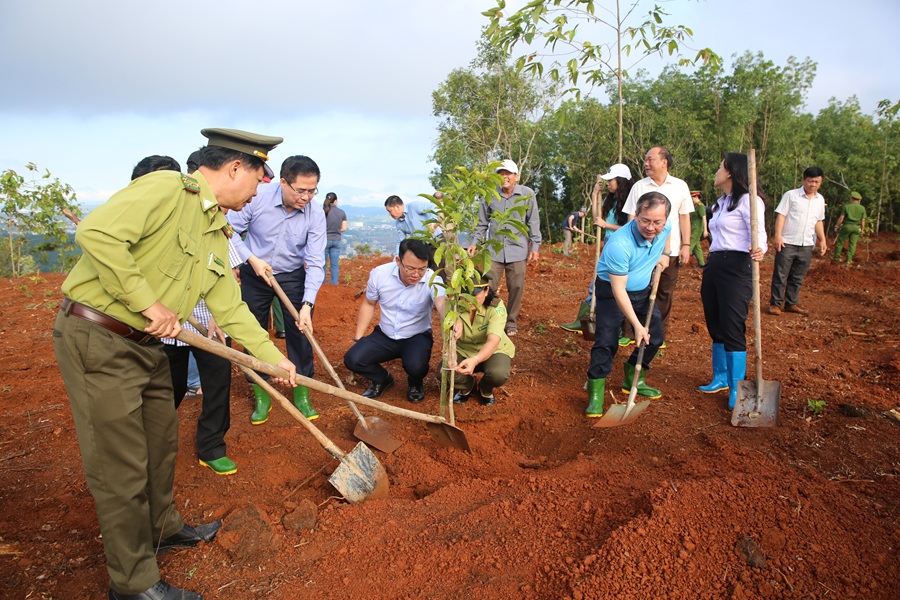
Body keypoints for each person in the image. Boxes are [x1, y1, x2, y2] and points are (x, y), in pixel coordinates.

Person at [52, 128, 297, 600]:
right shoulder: (167, 188)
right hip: (100, 339)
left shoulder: (214, 226)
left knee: (161, 443)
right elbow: (96, 232)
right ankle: (132, 583)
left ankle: (162, 527)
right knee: (120, 466)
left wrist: (270, 358)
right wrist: (148, 303)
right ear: (234, 169)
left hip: (144, 347)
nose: (259, 191)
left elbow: (229, 307)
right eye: (259, 179)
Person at [133, 153, 243, 477]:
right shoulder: (139, 231)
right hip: (165, 329)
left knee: (217, 385)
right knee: (170, 389)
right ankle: (151, 448)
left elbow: (231, 276)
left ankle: (211, 448)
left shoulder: (209, 220)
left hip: (210, 323)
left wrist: (219, 315)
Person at [227, 155, 327, 424]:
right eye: (301, 190)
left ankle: (302, 394)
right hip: (255, 271)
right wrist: (250, 258)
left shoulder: (315, 213)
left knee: (300, 333)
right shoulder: (257, 196)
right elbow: (230, 230)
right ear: (283, 182)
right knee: (254, 330)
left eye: (312, 190)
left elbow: (317, 261)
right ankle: (263, 392)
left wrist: (307, 305)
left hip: (292, 275)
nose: (307, 197)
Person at [585, 191, 671, 417]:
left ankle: (633, 378)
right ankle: (595, 393)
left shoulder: (666, 227)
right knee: (606, 342)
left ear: (665, 219)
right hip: (613, 293)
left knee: (655, 339)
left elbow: (666, 240)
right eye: (645, 221)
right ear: (636, 215)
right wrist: (636, 325)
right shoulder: (619, 244)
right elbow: (619, 290)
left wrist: (665, 256)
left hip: (642, 291)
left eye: (657, 222)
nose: (651, 227)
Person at [699, 153, 768, 410]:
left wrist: (760, 248)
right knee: (714, 321)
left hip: (737, 266)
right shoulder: (720, 203)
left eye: (719, 166)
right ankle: (720, 377)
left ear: (730, 172)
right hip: (715, 264)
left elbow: (758, 231)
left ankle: (737, 388)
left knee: (732, 325)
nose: (716, 171)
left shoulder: (750, 201)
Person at [344, 238, 447, 403]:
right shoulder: (380, 274)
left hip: (416, 336)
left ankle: (415, 383)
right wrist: (358, 335)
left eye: (422, 268)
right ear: (398, 261)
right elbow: (369, 304)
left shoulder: (432, 279)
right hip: (385, 335)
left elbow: (441, 302)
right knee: (353, 359)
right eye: (411, 268)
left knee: (416, 366)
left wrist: (450, 319)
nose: (416, 274)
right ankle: (382, 379)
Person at [621, 147, 693, 346]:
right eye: (645, 160)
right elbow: (631, 218)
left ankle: (658, 335)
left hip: (670, 250)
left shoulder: (680, 186)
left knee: (664, 291)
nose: (646, 164)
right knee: (635, 288)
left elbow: (684, 217)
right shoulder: (639, 186)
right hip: (641, 248)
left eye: (650, 160)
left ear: (664, 162)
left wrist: (686, 245)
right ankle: (629, 332)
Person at [467, 159, 542, 336]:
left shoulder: (527, 194)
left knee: (516, 287)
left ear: (517, 176)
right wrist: (474, 242)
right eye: (500, 174)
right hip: (494, 252)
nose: (504, 177)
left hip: (518, 250)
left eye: (508, 174)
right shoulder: (490, 195)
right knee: (488, 287)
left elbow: (533, 222)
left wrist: (535, 247)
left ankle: (511, 322)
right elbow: (482, 223)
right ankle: (488, 320)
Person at [559, 163, 633, 333]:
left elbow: (631, 226)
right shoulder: (612, 199)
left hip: (621, 247)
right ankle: (584, 319)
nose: (608, 183)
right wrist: (594, 194)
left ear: (620, 181)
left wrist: (607, 224)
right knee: (598, 281)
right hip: (608, 244)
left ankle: (618, 325)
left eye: (611, 180)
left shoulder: (630, 200)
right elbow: (597, 218)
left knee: (616, 285)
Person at [446, 273, 515, 406]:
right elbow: (450, 337)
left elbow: (493, 341)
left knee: (499, 373)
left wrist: (475, 360)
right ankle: (467, 385)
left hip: (493, 351)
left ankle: (485, 388)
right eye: (465, 295)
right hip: (464, 350)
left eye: (474, 295)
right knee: (445, 371)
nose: (468, 300)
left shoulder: (496, 306)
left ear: (486, 290)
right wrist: (452, 354)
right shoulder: (454, 306)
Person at [768, 167, 827, 315]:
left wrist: (823, 240)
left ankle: (791, 303)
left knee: (797, 276)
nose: (813, 185)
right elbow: (781, 215)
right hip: (787, 241)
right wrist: (778, 236)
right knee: (781, 274)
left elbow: (818, 221)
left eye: (816, 182)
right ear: (804, 180)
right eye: (810, 181)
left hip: (806, 243)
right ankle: (775, 304)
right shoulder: (791, 195)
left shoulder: (820, 200)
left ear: (820, 182)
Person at [385, 194, 437, 259]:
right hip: (423, 247)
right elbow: (400, 242)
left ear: (397, 207)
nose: (389, 214)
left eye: (390, 211)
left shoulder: (414, 206)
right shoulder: (398, 223)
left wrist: (433, 221)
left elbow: (433, 207)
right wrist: (396, 258)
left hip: (436, 240)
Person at [833, 191, 867, 264]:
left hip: (847, 226)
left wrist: (837, 226)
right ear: (859, 200)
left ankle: (836, 258)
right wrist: (863, 229)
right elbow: (863, 220)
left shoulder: (847, 206)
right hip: (856, 227)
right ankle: (849, 260)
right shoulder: (862, 208)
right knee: (852, 244)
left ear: (852, 198)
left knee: (840, 242)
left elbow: (841, 218)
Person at [324, 191, 348, 284]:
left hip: (324, 240)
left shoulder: (322, 211)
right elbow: (344, 228)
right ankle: (334, 284)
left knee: (323, 264)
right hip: (336, 240)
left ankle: (323, 285)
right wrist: (336, 230)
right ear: (336, 201)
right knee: (334, 265)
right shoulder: (341, 212)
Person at [689, 191, 709, 267]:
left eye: (692, 198)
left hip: (697, 229)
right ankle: (701, 263)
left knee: (690, 244)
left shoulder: (701, 206)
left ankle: (680, 261)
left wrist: (705, 230)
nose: (691, 200)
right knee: (697, 246)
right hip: (693, 228)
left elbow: (704, 218)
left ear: (696, 197)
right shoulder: (695, 206)